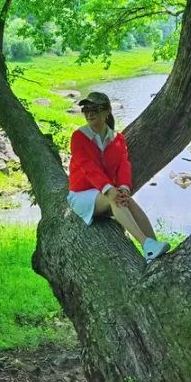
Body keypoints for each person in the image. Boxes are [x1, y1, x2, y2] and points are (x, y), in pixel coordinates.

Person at [67, 91, 170, 263]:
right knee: (115, 200)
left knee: (127, 200)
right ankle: (146, 244)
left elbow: (124, 166)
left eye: (95, 109)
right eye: (86, 109)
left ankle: (155, 247)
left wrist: (123, 187)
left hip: (107, 192)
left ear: (106, 111)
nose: (89, 113)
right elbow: (88, 167)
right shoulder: (79, 137)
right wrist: (108, 189)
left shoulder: (118, 139)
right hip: (82, 195)